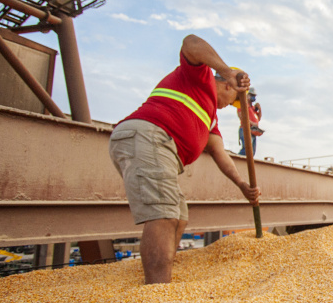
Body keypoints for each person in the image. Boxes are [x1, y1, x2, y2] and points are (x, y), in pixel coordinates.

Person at [109, 34, 261, 284]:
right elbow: (191, 42)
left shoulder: (210, 116)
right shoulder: (197, 77)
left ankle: (163, 275)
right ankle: (157, 291)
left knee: (178, 215)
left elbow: (220, 154)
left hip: (159, 147)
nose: (228, 106)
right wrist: (225, 69)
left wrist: (243, 186)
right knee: (164, 215)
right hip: (150, 136)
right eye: (233, 100)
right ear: (226, 84)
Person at [237, 87, 264, 156]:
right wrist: (252, 123)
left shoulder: (252, 108)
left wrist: (259, 109)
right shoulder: (243, 104)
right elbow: (241, 117)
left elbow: (258, 118)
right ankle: (237, 161)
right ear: (247, 95)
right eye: (252, 95)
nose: (253, 97)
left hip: (252, 131)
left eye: (254, 96)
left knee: (252, 152)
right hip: (245, 129)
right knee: (246, 149)